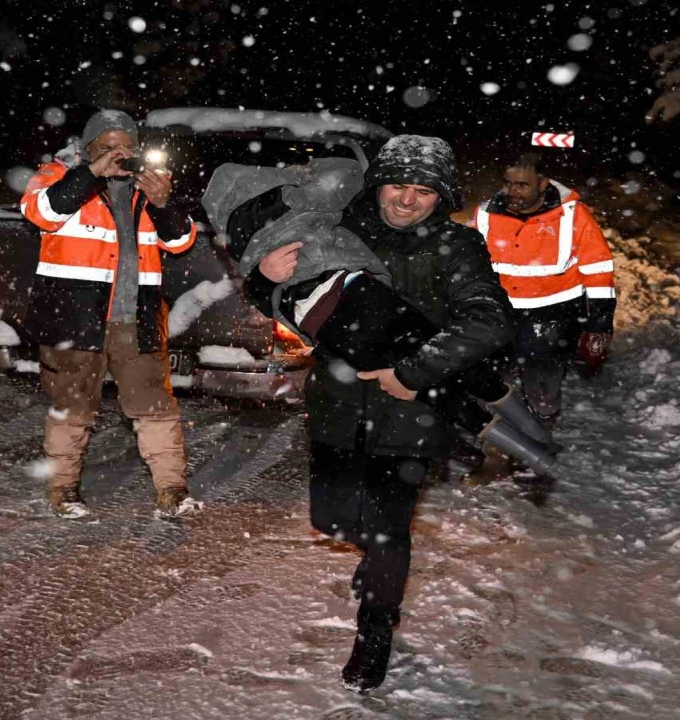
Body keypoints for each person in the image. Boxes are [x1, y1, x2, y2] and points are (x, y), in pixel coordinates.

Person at [242, 136, 514, 693]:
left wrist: (411, 372)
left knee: (390, 533)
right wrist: (264, 278)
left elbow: (488, 322)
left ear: (441, 197)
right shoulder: (335, 228)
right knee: (334, 522)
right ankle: (372, 562)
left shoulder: (457, 246)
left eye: (422, 192)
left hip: (412, 415)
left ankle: (375, 631)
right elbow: (289, 302)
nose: (407, 201)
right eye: (398, 186)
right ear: (377, 183)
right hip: (338, 404)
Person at [201, 158, 559, 477]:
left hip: (348, 303)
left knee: (440, 373)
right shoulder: (272, 222)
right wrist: (266, 271)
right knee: (436, 378)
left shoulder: (284, 215)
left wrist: (295, 185)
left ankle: (536, 445)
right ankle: (536, 451)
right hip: (338, 316)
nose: (405, 198)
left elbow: (345, 177)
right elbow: (263, 296)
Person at [19, 109, 197, 520]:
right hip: (75, 318)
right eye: (108, 147)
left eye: (126, 146)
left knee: (155, 407)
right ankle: (63, 490)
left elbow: (180, 241)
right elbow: (42, 212)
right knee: (72, 407)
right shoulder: (56, 176)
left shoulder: (145, 188)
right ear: (87, 150)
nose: (119, 154)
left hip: (136, 318)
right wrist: (90, 174)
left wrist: (164, 202)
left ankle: (172, 491)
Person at [465, 153, 617, 484]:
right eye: (507, 183)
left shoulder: (572, 216)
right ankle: (496, 457)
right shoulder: (487, 214)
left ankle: (539, 443)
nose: (513, 192)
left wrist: (599, 325)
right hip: (498, 315)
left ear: (543, 184)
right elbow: (463, 261)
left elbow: (599, 270)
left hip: (553, 318)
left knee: (541, 390)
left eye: (522, 184)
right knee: (488, 386)